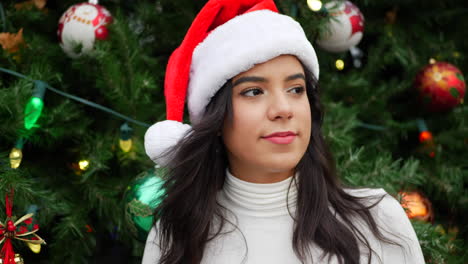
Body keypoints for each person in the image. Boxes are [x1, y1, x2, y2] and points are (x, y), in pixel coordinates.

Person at [142, 0, 425, 263]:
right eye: (254, 91)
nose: (283, 109)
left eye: (295, 89)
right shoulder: (175, 234)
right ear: (215, 117)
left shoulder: (379, 220)